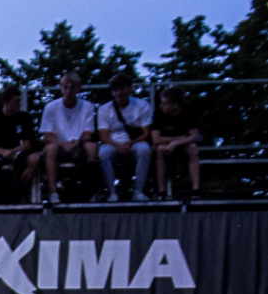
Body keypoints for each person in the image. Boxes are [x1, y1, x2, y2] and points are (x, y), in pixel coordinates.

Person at [0, 85, 42, 201]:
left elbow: (28, 143)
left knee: (34, 159)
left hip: (17, 153)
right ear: (6, 101)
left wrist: (12, 151)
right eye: (16, 101)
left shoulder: (24, 117)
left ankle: (20, 190)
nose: (19, 104)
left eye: (20, 101)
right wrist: (1, 151)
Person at [39, 72, 98, 203]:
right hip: (58, 146)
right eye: (65, 87)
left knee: (92, 147)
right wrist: (63, 144)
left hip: (79, 145)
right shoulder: (51, 107)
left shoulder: (87, 106)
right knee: (50, 149)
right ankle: (53, 193)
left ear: (78, 89)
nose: (69, 91)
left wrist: (77, 143)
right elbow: (47, 136)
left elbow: (88, 133)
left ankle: (91, 192)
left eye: (72, 88)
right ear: (61, 88)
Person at [95, 73, 153, 202]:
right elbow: (104, 135)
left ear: (130, 89)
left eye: (122, 89)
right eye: (116, 90)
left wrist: (131, 142)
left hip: (135, 142)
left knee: (144, 149)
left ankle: (138, 191)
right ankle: (112, 193)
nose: (119, 93)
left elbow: (146, 133)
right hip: (113, 143)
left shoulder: (142, 105)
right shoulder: (104, 109)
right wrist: (116, 144)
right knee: (103, 153)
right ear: (112, 93)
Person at [150, 87, 203, 199]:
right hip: (168, 143)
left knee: (193, 149)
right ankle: (162, 191)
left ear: (176, 105)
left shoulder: (188, 111)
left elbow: (195, 136)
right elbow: (156, 139)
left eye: (165, 103)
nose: (162, 106)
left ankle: (196, 190)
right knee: (159, 150)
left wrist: (176, 143)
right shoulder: (159, 113)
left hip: (183, 143)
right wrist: (175, 139)